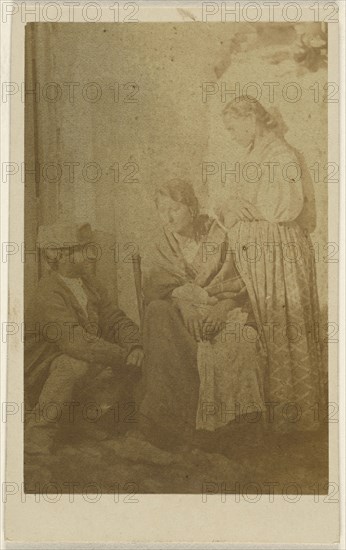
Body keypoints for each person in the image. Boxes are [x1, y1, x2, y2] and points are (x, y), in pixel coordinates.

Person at [220, 95, 325, 431]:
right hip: (260, 259)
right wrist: (234, 206)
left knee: (283, 327)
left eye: (233, 126)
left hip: (280, 257)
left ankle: (294, 422)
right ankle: (265, 421)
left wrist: (240, 206)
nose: (231, 133)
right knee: (264, 329)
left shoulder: (281, 155)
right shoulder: (251, 154)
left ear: (251, 118)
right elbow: (232, 205)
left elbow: (280, 210)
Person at [139, 179, 265, 451]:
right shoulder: (159, 245)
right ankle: (178, 424)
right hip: (180, 317)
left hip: (223, 310)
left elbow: (241, 282)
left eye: (174, 208)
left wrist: (223, 308)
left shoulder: (219, 236)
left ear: (192, 208)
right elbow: (156, 289)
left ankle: (234, 427)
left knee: (239, 340)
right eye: (162, 209)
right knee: (158, 315)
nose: (168, 216)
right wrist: (184, 305)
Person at [24, 222, 144, 465]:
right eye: (81, 249)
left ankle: (80, 421)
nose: (90, 254)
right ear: (56, 255)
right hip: (41, 374)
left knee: (127, 361)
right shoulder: (47, 291)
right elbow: (76, 343)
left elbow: (115, 318)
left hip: (82, 359)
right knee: (75, 364)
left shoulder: (88, 282)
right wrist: (123, 355)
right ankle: (37, 432)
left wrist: (135, 346)